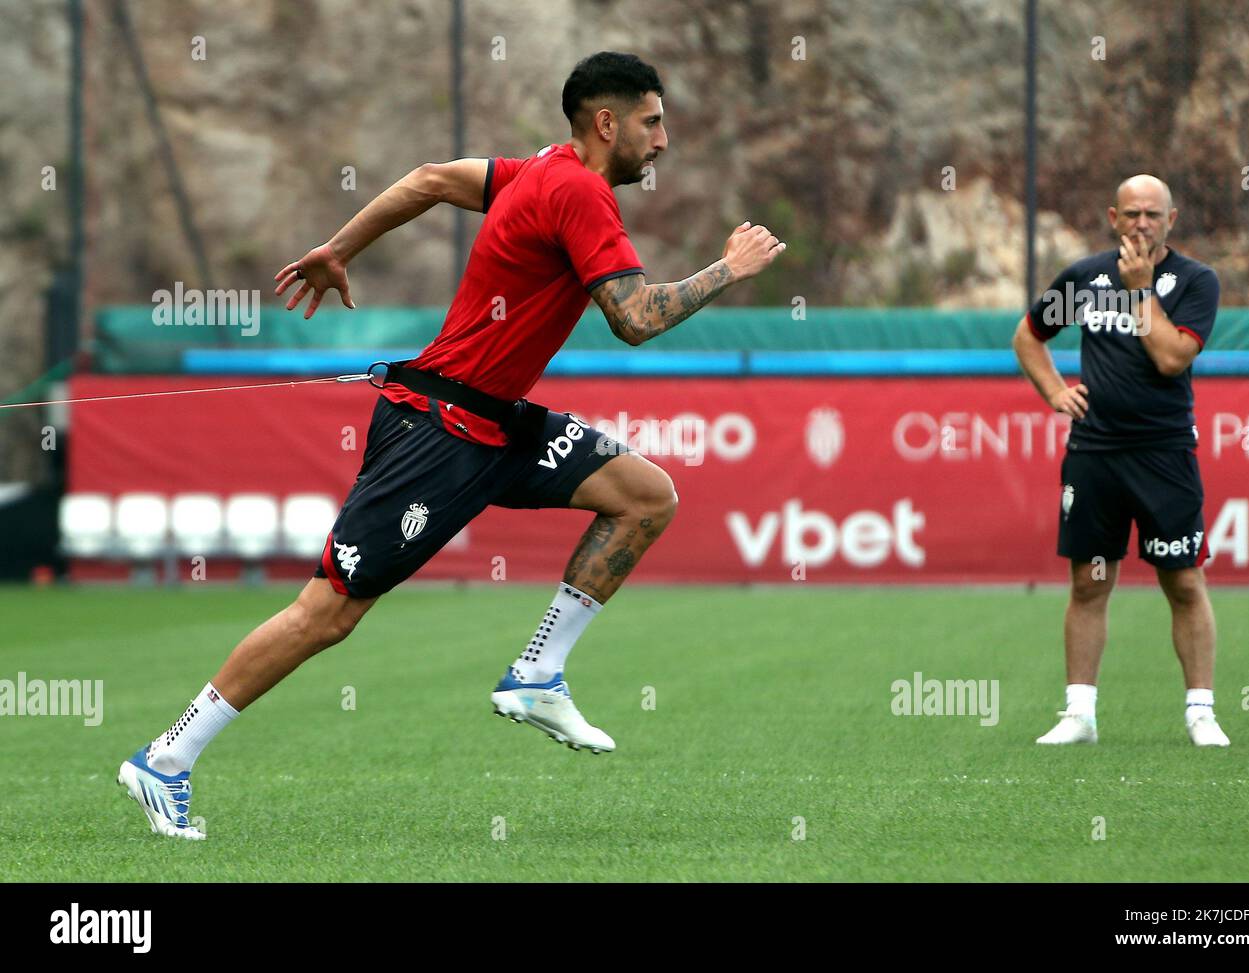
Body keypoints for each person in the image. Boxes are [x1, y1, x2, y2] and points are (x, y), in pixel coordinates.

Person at [117, 51, 786, 839]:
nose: (663, 140)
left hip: (493, 422)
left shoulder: (538, 170)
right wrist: (727, 269)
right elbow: (634, 318)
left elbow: (432, 178)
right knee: (327, 614)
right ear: (608, 124)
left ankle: (537, 673)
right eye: (653, 121)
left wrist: (340, 249)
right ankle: (165, 759)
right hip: (436, 431)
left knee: (645, 495)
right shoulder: (578, 192)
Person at [1012, 173, 1229, 748]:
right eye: (1131, 214)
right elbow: (1028, 337)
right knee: (1089, 582)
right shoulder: (1084, 278)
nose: (1141, 224)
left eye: (1152, 215)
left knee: (1182, 581)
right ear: (1113, 217)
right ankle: (1079, 713)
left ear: (1171, 220)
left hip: (1164, 454)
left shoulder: (1196, 281)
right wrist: (1055, 391)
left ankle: (1201, 712)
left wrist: (1138, 293)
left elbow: (1171, 358)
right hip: (1094, 454)